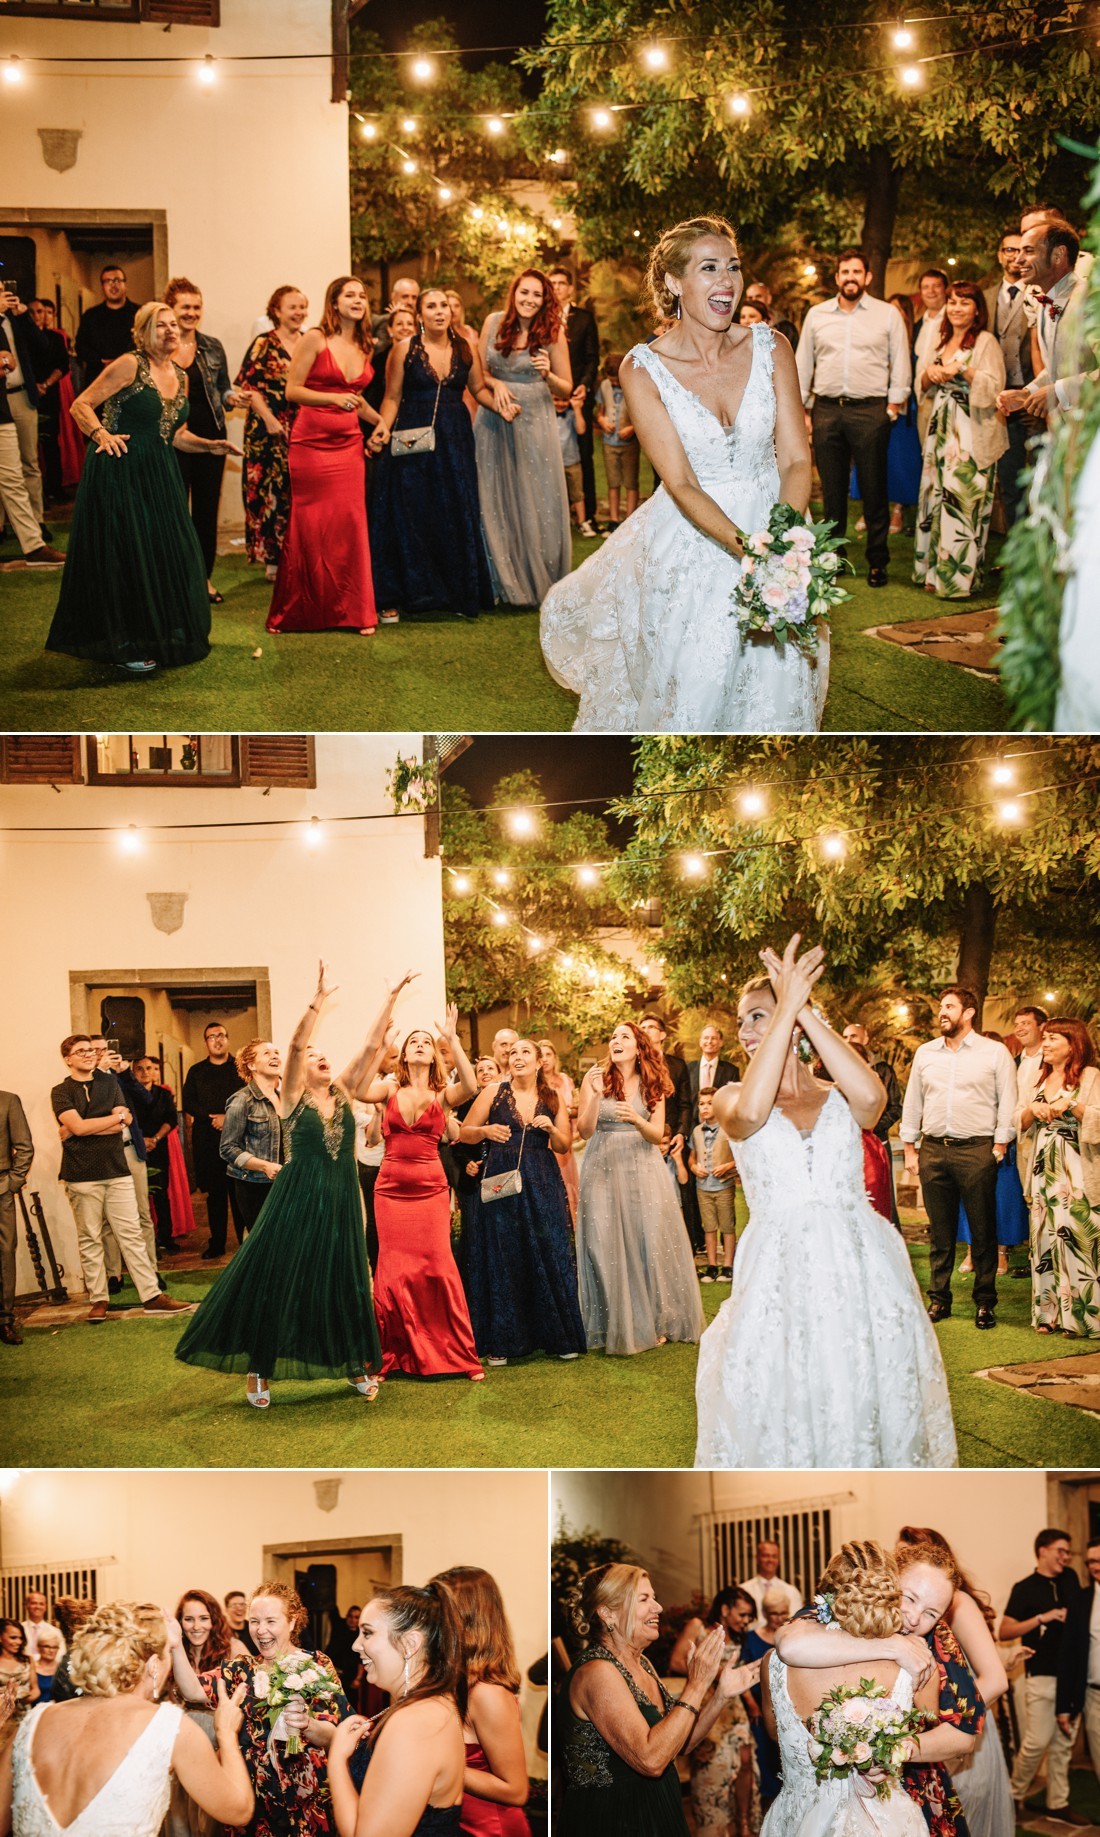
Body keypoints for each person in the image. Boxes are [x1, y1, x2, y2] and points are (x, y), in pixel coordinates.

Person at [542, 216, 823, 734]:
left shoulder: (773, 347)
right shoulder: (642, 367)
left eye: (733, 268)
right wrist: (752, 552)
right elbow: (681, 481)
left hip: (777, 517)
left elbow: (797, 460)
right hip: (695, 541)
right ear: (673, 282)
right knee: (695, 684)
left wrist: (782, 545)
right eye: (709, 268)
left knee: (774, 689)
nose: (727, 282)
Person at [695, 940, 957, 1467]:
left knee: (862, 1378)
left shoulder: (839, 1093)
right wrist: (782, 1011)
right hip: (780, 1266)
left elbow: (874, 1102)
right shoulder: (729, 1095)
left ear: (796, 1023)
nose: (745, 1031)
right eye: (742, 1021)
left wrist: (800, 1006)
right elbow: (749, 1116)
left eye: (758, 1017)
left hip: (861, 1264)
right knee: (790, 1384)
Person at [176, 965, 412, 1407]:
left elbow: (370, 1045)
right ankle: (259, 1372)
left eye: (325, 1053)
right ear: (296, 1070)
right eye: (311, 1055)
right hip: (297, 1201)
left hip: (341, 1201)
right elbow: (297, 1042)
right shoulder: (289, 1100)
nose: (320, 1056)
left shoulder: (343, 1092)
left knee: (344, 1281)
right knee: (281, 1281)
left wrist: (392, 998)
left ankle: (356, 1365)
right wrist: (316, 1002)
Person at [45, 301, 239, 674]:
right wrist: (101, 433)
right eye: (160, 326)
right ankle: (125, 642)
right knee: (127, 554)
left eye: (173, 326)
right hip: (119, 468)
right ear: (142, 332)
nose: (171, 331)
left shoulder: (180, 375)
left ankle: (159, 629)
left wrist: (209, 445)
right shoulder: (130, 364)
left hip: (160, 471)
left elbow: (174, 434)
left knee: (171, 549)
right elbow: (81, 405)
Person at [0, 1600, 253, 1836]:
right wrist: (227, 1733)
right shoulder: (168, 1726)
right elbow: (239, 1811)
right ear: (154, 1664)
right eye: (168, 1653)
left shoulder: (33, 1722)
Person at [763, 1542, 964, 1837]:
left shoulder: (773, 1663)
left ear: (826, 1592)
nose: (914, 1618)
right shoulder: (918, 1667)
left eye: (932, 1613)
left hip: (797, 1819)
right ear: (889, 1590)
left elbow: (773, 1732)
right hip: (887, 1822)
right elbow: (926, 1719)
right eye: (909, 1598)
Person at [560, 1563, 760, 1837]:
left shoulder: (643, 1664)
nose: (659, 1608)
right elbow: (651, 1759)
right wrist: (698, 1684)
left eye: (653, 1598)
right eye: (644, 1599)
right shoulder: (597, 1672)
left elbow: (679, 1743)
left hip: (657, 1809)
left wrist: (720, 1696)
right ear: (607, 1612)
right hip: (615, 1819)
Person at [370, 287, 506, 622]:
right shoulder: (403, 349)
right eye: (430, 306)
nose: (439, 311)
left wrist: (502, 406)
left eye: (443, 305)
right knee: (412, 513)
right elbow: (391, 397)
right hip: (413, 440)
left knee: (453, 509)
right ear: (420, 315)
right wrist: (382, 429)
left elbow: (476, 390)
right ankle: (410, 593)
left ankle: (453, 592)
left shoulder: (465, 347)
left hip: (455, 439)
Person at [267, 275, 389, 635]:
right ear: (334, 302)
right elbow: (293, 390)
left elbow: (356, 398)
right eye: (349, 294)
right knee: (311, 526)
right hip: (310, 444)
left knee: (349, 524)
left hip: (349, 443)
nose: (357, 300)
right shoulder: (315, 338)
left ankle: (354, 611)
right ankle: (299, 611)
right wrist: (333, 399)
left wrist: (379, 420)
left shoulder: (366, 344)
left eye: (362, 295)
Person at [364, 1013, 483, 1380]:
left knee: (437, 1265)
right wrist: (381, 1046)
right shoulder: (387, 1091)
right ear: (403, 1056)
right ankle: (391, 1353)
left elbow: (471, 1084)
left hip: (430, 1188)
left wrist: (452, 1038)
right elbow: (355, 1089)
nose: (419, 1044)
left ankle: (458, 1354)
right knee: (392, 1269)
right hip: (391, 1190)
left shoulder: (442, 1097)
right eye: (413, 1041)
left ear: (434, 1056)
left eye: (426, 1042)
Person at [574, 1021, 705, 1355]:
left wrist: (636, 1119)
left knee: (644, 1241)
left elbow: (656, 1133)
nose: (616, 1040)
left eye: (624, 1036)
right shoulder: (595, 1079)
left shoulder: (652, 1084)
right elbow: (585, 1131)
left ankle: (654, 1320)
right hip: (601, 1165)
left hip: (641, 1168)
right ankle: (610, 1321)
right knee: (601, 1244)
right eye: (613, 1036)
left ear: (639, 1046)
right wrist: (594, 1096)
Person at [456, 1039, 586, 1365]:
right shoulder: (492, 1093)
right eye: (513, 1053)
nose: (518, 1057)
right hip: (502, 1179)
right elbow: (465, 1132)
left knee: (548, 1252)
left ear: (539, 1062)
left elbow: (564, 1144)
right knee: (504, 1253)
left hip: (542, 1179)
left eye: (525, 1052)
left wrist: (551, 1130)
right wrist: (486, 1131)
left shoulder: (551, 1097)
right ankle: (504, 1340)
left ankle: (558, 1337)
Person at [900, 987, 1017, 1329]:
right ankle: (940, 1300)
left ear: (968, 1013)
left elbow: (1007, 1102)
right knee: (940, 1231)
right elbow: (913, 1102)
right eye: (941, 1007)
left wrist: (999, 1146)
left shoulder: (994, 1053)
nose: (942, 1012)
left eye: (949, 1007)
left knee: (982, 1229)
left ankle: (984, 1301)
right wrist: (910, 1147)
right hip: (933, 1149)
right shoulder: (926, 1053)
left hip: (978, 1150)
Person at [50, 1033, 187, 1323]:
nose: (88, 1054)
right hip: (81, 1175)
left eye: (90, 1050)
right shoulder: (60, 1091)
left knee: (132, 1235)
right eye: (80, 1051)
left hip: (117, 1171)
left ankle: (152, 1295)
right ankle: (99, 1299)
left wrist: (82, 1127)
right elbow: (85, 1124)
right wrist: (98, 1123)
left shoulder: (110, 1083)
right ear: (67, 1059)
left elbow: (121, 1122)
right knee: (91, 1237)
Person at [795, 248, 911, 588]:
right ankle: (833, 559)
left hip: (871, 411)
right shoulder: (817, 315)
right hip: (827, 409)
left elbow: (900, 361)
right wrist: (802, 408)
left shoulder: (887, 315)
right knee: (832, 492)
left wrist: (893, 406)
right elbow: (804, 363)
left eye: (856, 272)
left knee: (875, 489)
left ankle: (878, 561)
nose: (850, 278)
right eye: (845, 272)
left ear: (867, 277)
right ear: (837, 277)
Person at [894, 1527, 1010, 1837]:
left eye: (908, 1553)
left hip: (958, 1727)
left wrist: (948, 1719)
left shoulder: (956, 1602)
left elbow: (996, 1680)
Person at [327, 1581, 467, 1837]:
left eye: (367, 1633)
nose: (356, 1645)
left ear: (409, 1643)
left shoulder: (415, 1721)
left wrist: (336, 1759)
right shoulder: (433, 1701)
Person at [475, 268, 573, 606]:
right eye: (524, 292)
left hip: (535, 419)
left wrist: (548, 374)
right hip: (492, 417)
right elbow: (479, 372)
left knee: (535, 496)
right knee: (494, 493)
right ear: (514, 293)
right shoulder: (493, 322)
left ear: (545, 300)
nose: (529, 300)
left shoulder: (552, 332)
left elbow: (567, 386)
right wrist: (496, 383)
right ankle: (499, 579)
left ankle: (535, 577)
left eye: (536, 295)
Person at [220, 1584, 346, 1836]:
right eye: (254, 1621)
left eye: (270, 1621)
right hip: (253, 1795)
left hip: (305, 1794)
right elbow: (192, 1690)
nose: (260, 1629)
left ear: (292, 1622)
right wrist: (174, 1645)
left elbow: (335, 1735)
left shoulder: (317, 1664)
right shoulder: (240, 1669)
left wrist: (307, 1724)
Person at [913, 283, 1007, 599]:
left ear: (977, 309)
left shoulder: (985, 341)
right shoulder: (940, 339)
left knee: (961, 500)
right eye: (952, 302)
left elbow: (995, 389)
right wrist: (932, 372)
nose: (956, 308)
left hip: (970, 432)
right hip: (939, 430)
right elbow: (921, 382)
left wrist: (963, 369)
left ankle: (957, 581)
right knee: (935, 498)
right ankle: (932, 572)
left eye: (964, 303)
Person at [162, 277, 248, 603]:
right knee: (173, 511)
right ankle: (173, 582)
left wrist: (233, 398)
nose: (192, 312)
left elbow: (223, 388)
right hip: (171, 440)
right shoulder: (158, 348)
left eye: (197, 307)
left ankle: (203, 580)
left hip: (211, 438)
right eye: (185, 306)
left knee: (205, 513)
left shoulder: (212, 346)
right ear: (171, 307)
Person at [1015, 1017, 1100, 1336]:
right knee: (1045, 1237)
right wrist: (1031, 1112)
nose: (1046, 1044)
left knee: (1077, 1235)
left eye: (1053, 1039)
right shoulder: (1036, 1079)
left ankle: (1081, 1317)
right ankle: (1047, 1315)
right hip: (1041, 1167)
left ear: (1073, 1044)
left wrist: (1072, 1104)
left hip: (1077, 1166)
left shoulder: (1091, 1077)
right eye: (1045, 1038)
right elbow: (1017, 1117)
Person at [431, 1566, 531, 1837]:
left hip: (489, 1829)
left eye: (438, 1610)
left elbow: (516, 1790)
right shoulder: (452, 1683)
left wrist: (434, 1763)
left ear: (467, 1618)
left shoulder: (487, 1693)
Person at [1000, 1529, 1081, 1820]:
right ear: (1042, 1550)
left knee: (1064, 1744)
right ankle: (1013, 1796)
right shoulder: (1024, 1588)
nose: (1066, 1557)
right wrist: (1041, 1619)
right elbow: (1004, 1631)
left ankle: (1057, 1803)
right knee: (1037, 1742)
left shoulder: (1071, 1579)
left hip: (1072, 1676)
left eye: (1068, 1552)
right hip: (1042, 1674)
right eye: (1061, 1550)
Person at [669, 1588, 759, 1837]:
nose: (745, 1621)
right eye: (742, 1614)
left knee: (745, 1763)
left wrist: (751, 1702)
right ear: (724, 1609)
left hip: (735, 1708)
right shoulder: (698, 1627)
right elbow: (677, 1661)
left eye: (749, 1617)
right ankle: (713, 1824)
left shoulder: (739, 1637)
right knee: (713, 1768)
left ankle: (742, 1822)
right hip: (707, 1705)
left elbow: (738, 1671)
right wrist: (719, 1675)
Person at [235, 284, 308, 578]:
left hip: (302, 426)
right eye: (292, 307)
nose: (298, 312)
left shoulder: (310, 342)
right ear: (276, 311)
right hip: (266, 428)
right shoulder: (263, 343)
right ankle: (272, 560)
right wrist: (269, 419)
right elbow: (247, 386)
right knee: (268, 492)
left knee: (296, 491)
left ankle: (296, 553)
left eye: (302, 306)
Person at [167, 1589, 251, 1837]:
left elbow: (247, 1701)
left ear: (214, 1620)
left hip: (218, 1737)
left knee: (213, 1816)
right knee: (180, 1813)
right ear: (180, 1622)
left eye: (203, 1618)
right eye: (188, 1619)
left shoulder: (234, 1649)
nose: (196, 1626)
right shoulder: (174, 1651)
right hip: (182, 1738)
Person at [983, 230, 1039, 531]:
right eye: (1008, 250)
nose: (1015, 257)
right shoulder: (986, 296)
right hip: (1001, 402)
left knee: (1040, 475)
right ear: (1000, 254)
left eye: (1021, 250)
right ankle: (1016, 555)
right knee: (1009, 479)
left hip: (1035, 396)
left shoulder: (1040, 292)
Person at [182, 1022, 245, 1260]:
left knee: (240, 1195)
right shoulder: (196, 1071)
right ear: (205, 1042)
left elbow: (250, 1099)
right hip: (208, 1143)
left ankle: (245, 1242)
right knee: (216, 1197)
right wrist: (213, 1119)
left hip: (240, 1141)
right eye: (211, 1037)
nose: (217, 1040)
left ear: (228, 1039)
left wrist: (228, 1118)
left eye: (221, 1035)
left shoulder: (240, 1069)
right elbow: (188, 1103)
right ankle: (217, 1243)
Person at [549, 266, 600, 533]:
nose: (556, 287)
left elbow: (593, 357)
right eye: (552, 283)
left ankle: (587, 514)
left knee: (582, 455)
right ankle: (556, 514)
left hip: (579, 395)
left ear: (570, 287)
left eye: (561, 283)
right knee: (550, 455)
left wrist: (583, 387)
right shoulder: (542, 319)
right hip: (549, 396)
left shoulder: (584, 318)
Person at [219, 1037, 285, 1237]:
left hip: (284, 1183)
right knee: (264, 1244)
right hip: (253, 1185)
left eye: (276, 1053)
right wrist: (264, 1166)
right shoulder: (241, 1101)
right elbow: (227, 1148)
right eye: (266, 1053)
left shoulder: (286, 1098)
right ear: (251, 1065)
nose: (274, 1056)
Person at [129, 1053, 190, 1253]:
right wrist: (141, 1140)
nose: (145, 1072)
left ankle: (166, 1237)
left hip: (158, 1148)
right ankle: (145, 1242)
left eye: (149, 1068)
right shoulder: (126, 1094)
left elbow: (171, 1119)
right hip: (134, 1150)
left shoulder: (163, 1094)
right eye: (140, 1068)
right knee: (137, 1197)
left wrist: (155, 1139)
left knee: (162, 1195)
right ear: (132, 1072)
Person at [1055, 1538, 1100, 1793]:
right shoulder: (1081, 1601)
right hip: (1095, 1698)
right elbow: (1068, 1655)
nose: (1097, 1566)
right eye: (1092, 1561)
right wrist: (1064, 1706)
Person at [690, 1088, 738, 1283]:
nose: (705, 1107)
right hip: (703, 1186)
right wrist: (693, 1168)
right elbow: (692, 1158)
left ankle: (728, 1266)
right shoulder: (696, 1131)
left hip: (723, 1185)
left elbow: (741, 1155)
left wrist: (728, 1165)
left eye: (710, 1103)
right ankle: (711, 1266)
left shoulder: (729, 1129)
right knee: (708, 1227)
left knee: (727, 1226)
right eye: (702, 1103)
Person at [0, 1089, 32, 1347]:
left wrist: (13, 1182)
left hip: (0, 1189)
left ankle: (4, 1320)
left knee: (4, 1253)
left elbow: (24, 1146)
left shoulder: (8, 1100)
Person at [74, 264, 138, 389]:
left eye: (117, 280)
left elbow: (147, 345)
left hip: (132, 379)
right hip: (98, 379)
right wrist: (100, 361)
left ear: (125, 284)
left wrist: (121, 362)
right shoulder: (90, 315)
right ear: (102, 287)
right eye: (108, 281)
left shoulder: (139, 313)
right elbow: (80, 346)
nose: (113, 285)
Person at [595, 352, 641, 527]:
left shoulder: (634, 386)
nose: (614, 384)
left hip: (629, 445)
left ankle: (630, 520)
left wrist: (633, 427)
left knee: (631, 482)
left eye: (617, 381)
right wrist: (602, 421)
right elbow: (600, 412)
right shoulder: (604, 386)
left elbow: (643, 414)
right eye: (612, 380)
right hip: (609, 443)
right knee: (613, 482)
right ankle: (614, 520)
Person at [536, 1040, 579, 1217]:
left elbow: (577, 1107)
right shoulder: (535, 1083)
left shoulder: (565, 1080)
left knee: (566, 1183)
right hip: (543, 1140)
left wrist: (565, 1111)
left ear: (555, 1057)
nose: (545, 1059)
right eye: (542, 1055)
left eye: (549, 1055)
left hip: (564, 1137)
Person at [742, 1546, 804, 1630]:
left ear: (779, 1560)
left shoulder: (791, 1591)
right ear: (757, 1558)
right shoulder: (744, 1590)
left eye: (774, 1556)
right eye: (765, 1556)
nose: (770, 1560)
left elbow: (796, 1622)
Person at [556, 384, 589, 533]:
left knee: (577, 494)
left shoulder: (571, 415)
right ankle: (561, 522)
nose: (561, 404)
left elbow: (581, 429)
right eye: (556, 400)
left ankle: (582, 522)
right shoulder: (546, 416)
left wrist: (576, 409)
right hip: (554, 462)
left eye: (564, 400)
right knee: (557, 494)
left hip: (572, 461)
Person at [913, 270, 950, 377]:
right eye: (925, 287)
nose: (931, 291)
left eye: (936, 286)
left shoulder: (953, 322)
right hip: (919, 390)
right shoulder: (917, 326)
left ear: (946, 289)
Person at [744, 281, 799, 350]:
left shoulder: (785, 328)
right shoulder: (740, 326)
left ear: (769, 299)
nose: (754, 300)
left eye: (758, 296)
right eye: (750, 298)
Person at [20, 1596, 63, 1668]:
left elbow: (61, 1656)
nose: (37, 1606)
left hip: (48, 1671)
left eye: (41, 1604)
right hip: (23, 1671)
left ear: (45, 1607)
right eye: (34, 1603)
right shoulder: (19, 1629)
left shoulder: (55, 1631)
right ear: (27, 1605)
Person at [224, 1592, 258, 1658]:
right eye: (234, 1605)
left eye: (242, 1604)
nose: (239, 1608)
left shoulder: (255, 1628)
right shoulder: (222, 1632)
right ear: (226, 1609)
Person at [31, 1632, 60, 1708]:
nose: (51, 1651)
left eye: (55, 1647)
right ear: (38, 1647)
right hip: (35, 1713)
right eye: (47, 1646)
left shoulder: (62, 1668)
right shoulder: (31, 1668)